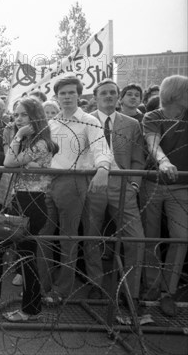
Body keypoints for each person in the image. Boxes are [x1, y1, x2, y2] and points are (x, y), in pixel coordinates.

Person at [39, 75, 112, 306]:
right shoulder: (52, 123)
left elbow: (101, 147)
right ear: (57, 97)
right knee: (44, 236)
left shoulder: (89, 120)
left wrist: (103, 168)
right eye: (63, 93)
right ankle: (42, 285)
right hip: (49, 182)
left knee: (68, 238)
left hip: (74, 182)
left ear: (79, 95)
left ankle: (61, 290)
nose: (67, 96)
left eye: (71, 92)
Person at [83, 80, 146, 314]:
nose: (108, 96)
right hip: (94, 184)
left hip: (123, 185)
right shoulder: (85, 120)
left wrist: (134, 184)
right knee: (92, 235)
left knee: (135, 239)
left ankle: (131, 292)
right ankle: (95, 284)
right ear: (96, 96)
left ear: (118, 97)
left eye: (112, 92)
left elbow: (139, 157)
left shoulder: (131, 124)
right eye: (103, 93)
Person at [0, 97, 58, 322]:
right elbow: (15, 163)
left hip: (32, 203)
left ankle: (30, 309)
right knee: (20, 254)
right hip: (21, 200)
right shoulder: (33, 140)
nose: (18, 119)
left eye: (23, 115)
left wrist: (18, 135)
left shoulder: (38, 142)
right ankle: (24, 303)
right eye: (16, 115)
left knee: (26, 257)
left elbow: (9, 162)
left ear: (35, 116)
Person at [141, 75, 188, 317]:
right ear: (177, 94)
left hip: (182, 187)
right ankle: (151, 286)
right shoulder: (153, 116)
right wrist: (163, 161)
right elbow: (153, 142)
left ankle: (167, 291)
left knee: (181, 237)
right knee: (150, 237)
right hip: (153, 184)